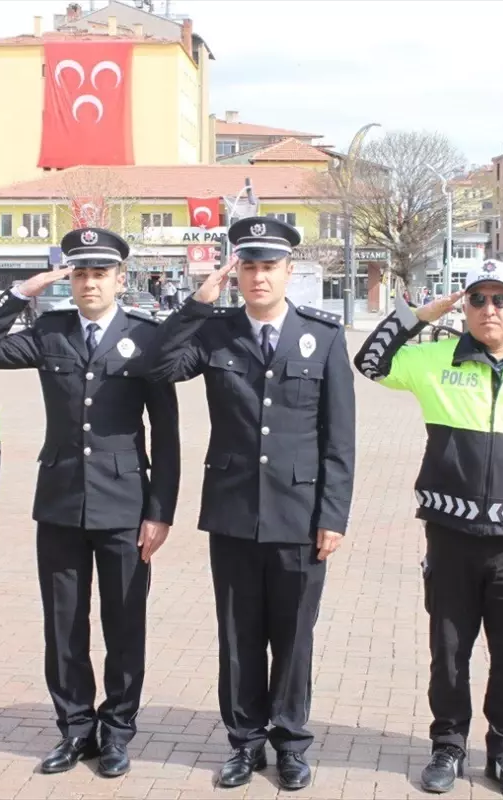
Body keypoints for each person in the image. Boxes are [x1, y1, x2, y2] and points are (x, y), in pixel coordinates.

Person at [353, 259, 503, 798]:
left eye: (500, 299)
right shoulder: (436, 359)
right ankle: (448, 746)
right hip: (451, 536)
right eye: (477, 299)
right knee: (450, 653)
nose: (488, 310)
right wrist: (417, 315)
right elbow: (368, 361)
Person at [141, 217, 356, 792]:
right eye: (249, 266)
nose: (259, 277)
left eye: (270, 266)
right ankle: (244, 743)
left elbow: (340, 439)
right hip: (234, 511)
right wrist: (194, 306)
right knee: (238, 636)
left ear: (290, 271)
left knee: (293, 636)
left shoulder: (325, 337)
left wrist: (333, 516)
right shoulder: (215, 332)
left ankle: (289, 742)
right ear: (236, 273)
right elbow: (157, 367)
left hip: (300, 514)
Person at [0, 228, 181, 779]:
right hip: (59, 502)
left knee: (125, 623)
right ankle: (75, 728)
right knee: (64, 624)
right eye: (79, 273)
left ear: (120, 280)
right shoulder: (49, 330)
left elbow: (167, 434)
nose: (88, 283)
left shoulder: (146, 339)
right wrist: (19, 295)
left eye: (99, 273)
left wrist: (160, 511)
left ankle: (118, 731)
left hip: (126, 505)